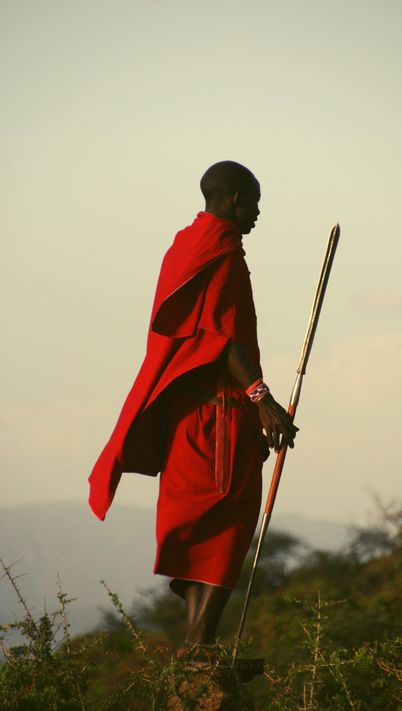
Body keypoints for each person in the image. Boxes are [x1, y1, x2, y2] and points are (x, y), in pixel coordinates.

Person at [88, 161, 297, 647]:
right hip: (216, 415)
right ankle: (198, 647)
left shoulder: (184, 246)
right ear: (231, 198)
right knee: (229, 521)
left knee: (201, 526)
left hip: (183, 416)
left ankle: (195, 649)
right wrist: (262, 400)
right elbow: (219, 340)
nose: (259, 212)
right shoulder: (220, 252)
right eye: (254, 201)